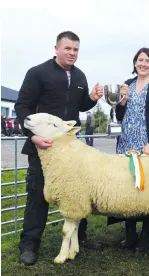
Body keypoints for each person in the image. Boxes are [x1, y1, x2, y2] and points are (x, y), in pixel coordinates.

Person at [14, 31, 103, 265]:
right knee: (38, 195)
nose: (72, 53)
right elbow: (22, 106)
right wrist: (32, 136)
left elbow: (79, 106)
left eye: (76, 49)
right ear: (56, 48)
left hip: (71, 149)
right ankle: (30, 245)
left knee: (78, 192)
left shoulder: (80, 76)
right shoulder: (37, 73)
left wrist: (92, 98)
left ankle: (79, 238)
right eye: (68, 49)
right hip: (41, 148)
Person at [107, 47, 149, 252]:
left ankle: (145, 235)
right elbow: (118, 113)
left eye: (147, 61)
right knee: (126, 189)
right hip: (126, 143)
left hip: (147, 146)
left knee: (145, 190)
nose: (143, 64)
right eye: (140, 60)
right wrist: (121, 102)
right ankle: (129, 233)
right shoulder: (127, 85)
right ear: (135, 63)